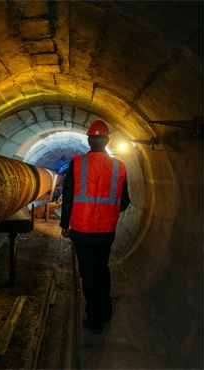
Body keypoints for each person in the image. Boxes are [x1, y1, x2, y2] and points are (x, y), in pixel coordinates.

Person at [60, 120, 131, 334]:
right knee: (102, 270)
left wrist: (65, 224)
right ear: (108, 140)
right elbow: (125, 201)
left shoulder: (78, 163)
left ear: (90, 140)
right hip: (105, 232)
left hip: (82, 232)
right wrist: (107, 214)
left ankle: (95, 319)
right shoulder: (120, 166)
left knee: (88, 274)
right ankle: (106, 311)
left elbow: (69, 196)